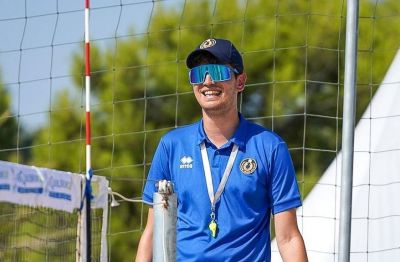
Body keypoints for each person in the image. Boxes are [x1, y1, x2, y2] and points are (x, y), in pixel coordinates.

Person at [136, 38, 308, 261]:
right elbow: (152, 232)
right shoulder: (172, 145)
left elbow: (288, 238)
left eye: (218, 72)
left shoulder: (271, 147)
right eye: (198, 74)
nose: (207, 81)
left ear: (240, 81)